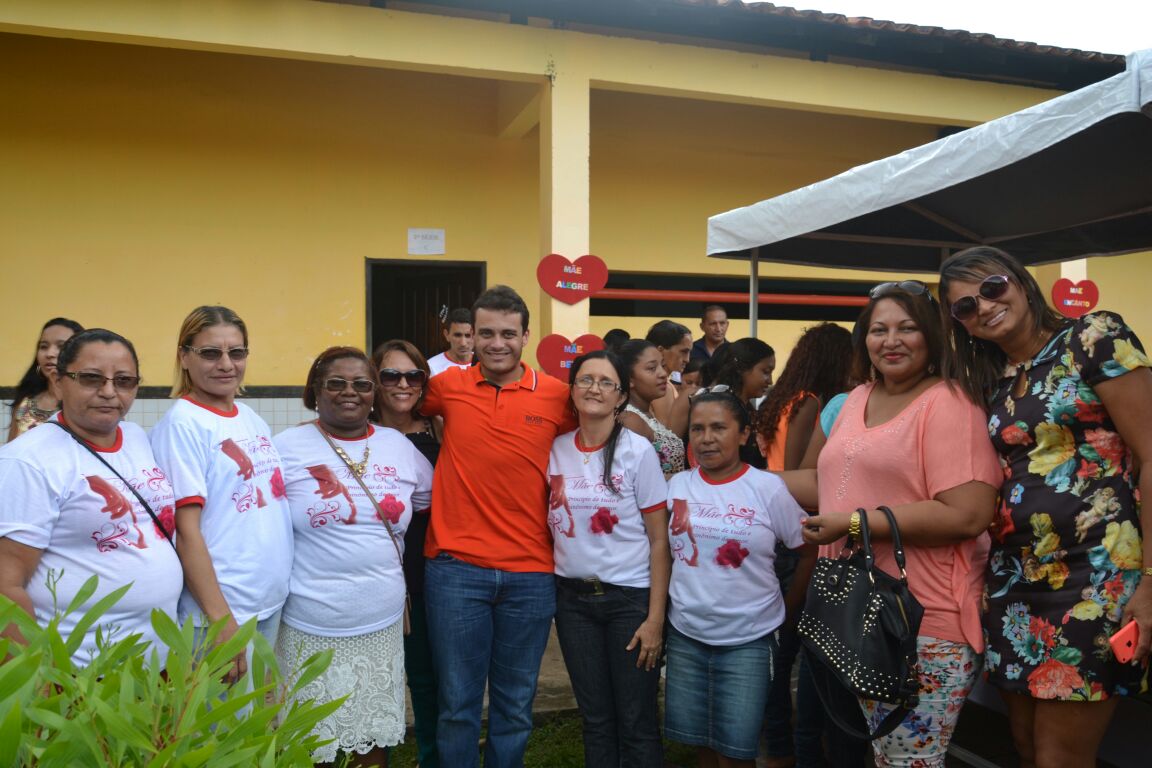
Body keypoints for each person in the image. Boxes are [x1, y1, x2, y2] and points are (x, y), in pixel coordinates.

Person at [939, 247, 1152, 768]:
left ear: (1019, 280)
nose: (984, 307)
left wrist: (1151, 581)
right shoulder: (990, 380)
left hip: (1096, 573)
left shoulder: (1093, 337)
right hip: (1014, 580)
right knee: (1026, 746)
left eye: (992, 288)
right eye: (965, 306)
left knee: (1060, 757)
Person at [791, 281, 1001, 768]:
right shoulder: (858, 396)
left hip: (920, 619)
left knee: (910, 760)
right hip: (853, 607)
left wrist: (855, 525)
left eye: (907, 328)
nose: (892, 340)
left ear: (931, 336)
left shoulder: (948, 403)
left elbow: (967, 512)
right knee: (882, 756)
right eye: (879, 329)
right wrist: (741, 482)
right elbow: (833, 483)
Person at [420, 285, 576, 768]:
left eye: (508, 333)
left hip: (531, 572)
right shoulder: (447, 387)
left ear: (526, 336)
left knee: (514, 705)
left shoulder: (557, 395)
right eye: (485, 333)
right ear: (470, 338)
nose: (495, 342)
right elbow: (396, 410)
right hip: (455, 570)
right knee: (457, 707)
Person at [274, 346, 432, 767]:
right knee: (312, 742)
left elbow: (428, 497)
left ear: (374, 392)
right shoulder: (285, 447)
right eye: (336, 383)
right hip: (310, 622)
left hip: (378, 622)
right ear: (315, 390)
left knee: (370, 741)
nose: (351, 393)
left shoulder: (397, 445)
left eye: (362, 384)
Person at [0, 329, 181, 665]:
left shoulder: (136, 437)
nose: (109, 392)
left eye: (124, 381)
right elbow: (5, 587)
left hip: (154, 663)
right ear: (57, 382)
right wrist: (38, 679)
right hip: (79, 671)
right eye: (91, 378)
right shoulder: (28, 461)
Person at [664, 388, 814, 768]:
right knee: (702, 745)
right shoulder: (677, 487)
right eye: (697, 429)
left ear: (744, 434)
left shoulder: (767, 489)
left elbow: (807, 548)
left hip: (749, 638)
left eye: (719, 427)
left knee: (736, 750)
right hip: (686, 634)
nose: (706, 438)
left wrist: (790, 608)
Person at [150, 306, 293, 684]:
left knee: (251, 729)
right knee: (217, 735)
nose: (226, 364)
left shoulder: (249, 416)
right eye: (210, 353)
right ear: (184, 357)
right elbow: (186, 531)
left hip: (264, 604)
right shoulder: (182, 424)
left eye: (237, 352)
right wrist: (221, 622)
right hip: (220, 614)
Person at [548, 350, 671, 768]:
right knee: (596, 718)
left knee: (636, 720)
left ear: (620, 396)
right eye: (585, 379)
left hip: (629, 601)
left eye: (606, 382)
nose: (594, 388)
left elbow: (659, 541)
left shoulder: (638, 451)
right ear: (572, 389)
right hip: (573, 603)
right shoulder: (556, 450)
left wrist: (655, 620)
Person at [755, 322, 852, 768]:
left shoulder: (784, 398)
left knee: (781, 645)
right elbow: (798, 473)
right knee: (788, 644)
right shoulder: (813, 403)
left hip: (774, 526)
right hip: (796, 529)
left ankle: (782, 743)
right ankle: (784, 749)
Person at [372, 338, 442, 768]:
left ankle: (431, 759)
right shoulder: (355, 428)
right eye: (391, 375)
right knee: (377, 679)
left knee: (428, 679)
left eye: (413, 375)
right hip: (372, 573)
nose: (403, 383)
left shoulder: (438, 426)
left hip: (428, 567)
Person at [701, 338, 776, 469]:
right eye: (766, 372)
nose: (770, 381)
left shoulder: (747, 408)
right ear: (742, 369)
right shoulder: (722, 408)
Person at [6, 317, 84, 442]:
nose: (50, 353)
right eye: (44, 346)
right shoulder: (24, 403)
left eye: (61, 346)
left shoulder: (94, 402)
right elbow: (10, 454)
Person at [618, 339, 685, 479]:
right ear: (629, 379)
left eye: (662, 365)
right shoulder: (630, 419)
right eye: (651, 368)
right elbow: (635, 480)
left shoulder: (647, 413)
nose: (663, 374)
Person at [647, 320, 695, 437]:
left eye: (689, 352)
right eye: (684, 352)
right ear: (660, 351)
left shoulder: (651, 382)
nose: (687, 359)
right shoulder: (662, 386)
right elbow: (668, 441)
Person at [427, 308, 474, 377]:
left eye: (468, 336)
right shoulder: (431, 367)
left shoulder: (485, 363)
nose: (463, 343)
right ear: (446, 335)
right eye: (457, 335)